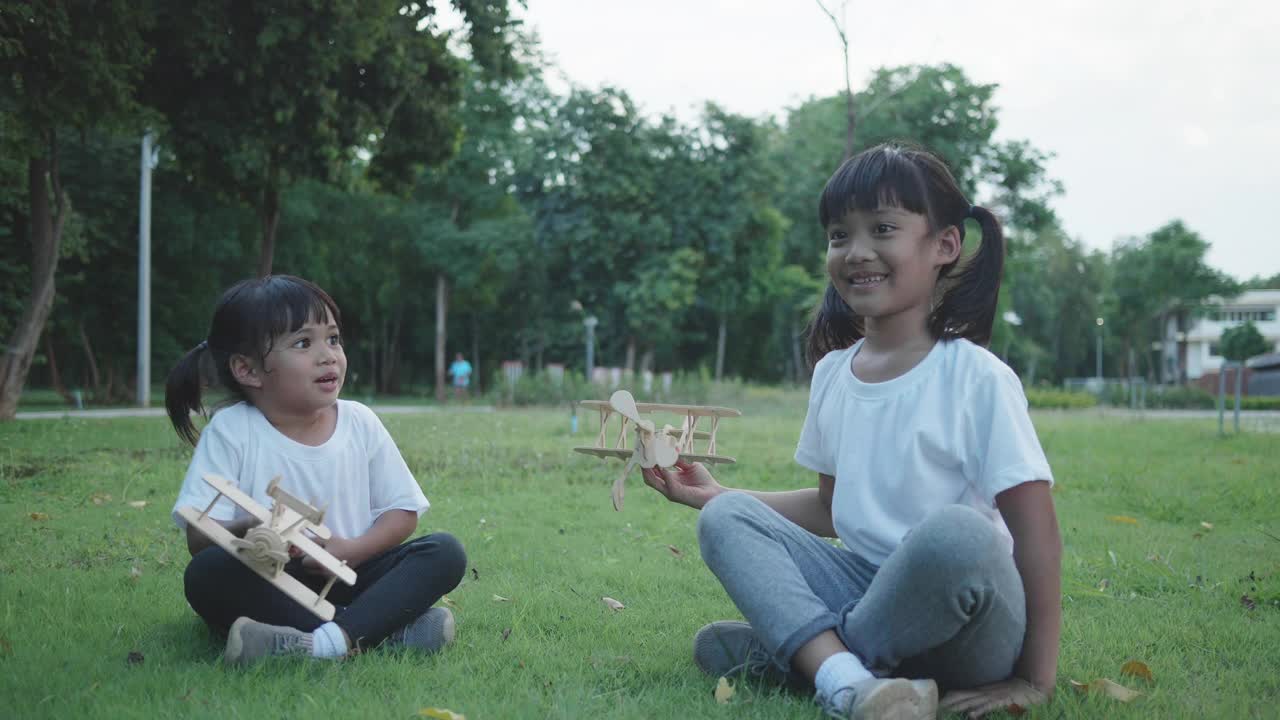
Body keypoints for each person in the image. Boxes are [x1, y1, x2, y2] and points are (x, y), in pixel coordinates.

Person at [642, 144, 1060, 719]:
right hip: (866, 588)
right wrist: (717, 496)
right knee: (726, 518)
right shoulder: (834, 374)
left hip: (971, 622)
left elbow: (1036, 535)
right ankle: (851, 683)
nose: (857, 252)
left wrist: (1035, 680)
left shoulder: (977, 378)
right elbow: (830, 509)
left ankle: (808, 654)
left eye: (883, 229)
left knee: (956, 536)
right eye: (840, 236)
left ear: (945, 244)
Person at [165, 275, 466, 666]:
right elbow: (199, 538)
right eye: (304, 343)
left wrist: (353, 550)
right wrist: (251, 531)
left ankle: (314, 644)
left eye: (334, 339)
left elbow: (402, 513)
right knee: (206, 572)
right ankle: (381, 631)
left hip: (355, 573)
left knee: (444, 552)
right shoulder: (232, 429)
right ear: (249, 370)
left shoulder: (359, 421)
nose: (328, 356)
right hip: (276, 582)